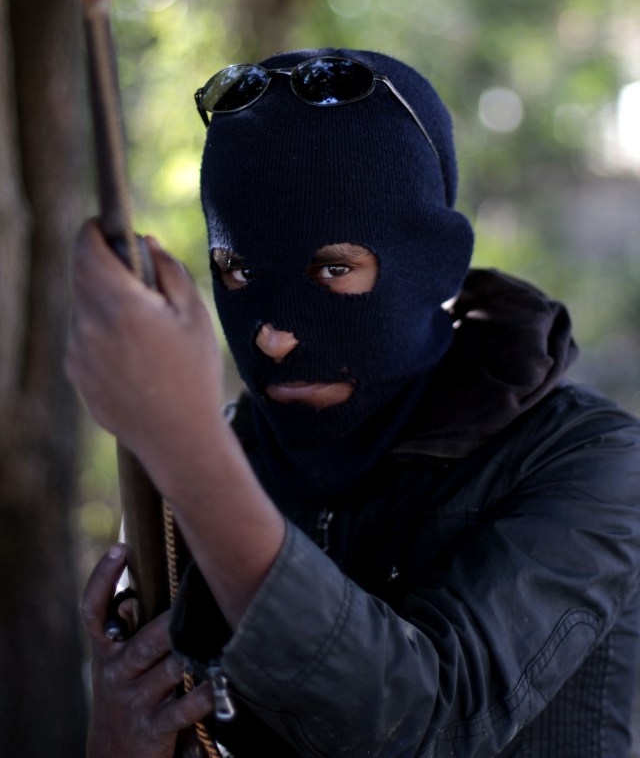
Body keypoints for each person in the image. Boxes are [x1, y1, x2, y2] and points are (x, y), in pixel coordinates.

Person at [67, 49, 640, 758]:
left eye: (333, 269)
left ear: (429, 265)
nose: (272, 336)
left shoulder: (588, 458)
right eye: (239, 272)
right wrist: (118, 740)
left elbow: (429, 726)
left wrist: (189, 450)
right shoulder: (194, 483)